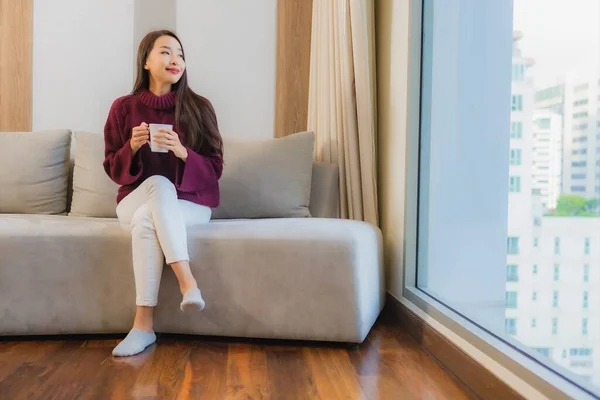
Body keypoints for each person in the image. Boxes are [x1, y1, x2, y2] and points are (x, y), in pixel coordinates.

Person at [103, 30, 223, 357]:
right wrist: (131, 146)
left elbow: (215, 168)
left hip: (191, 205)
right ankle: (188, 282)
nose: (175, 60)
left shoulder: (199, 107)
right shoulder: (123, 108)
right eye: (166, 53)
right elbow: (113, 169)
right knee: (157, 186)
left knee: (147, 219)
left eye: (181, 55)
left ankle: (142, 326)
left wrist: (184, 153)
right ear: (146, 61)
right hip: (135, 198)